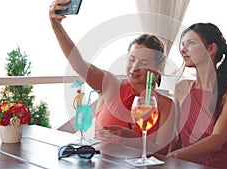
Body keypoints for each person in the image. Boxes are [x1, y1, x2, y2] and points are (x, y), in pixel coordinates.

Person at [49, 0, 175, 155]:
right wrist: (56, 26)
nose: (134, 68)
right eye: (131, 59)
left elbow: (161, 152)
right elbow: (78, 65)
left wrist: (129, 137)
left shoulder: (165, 105)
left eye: (143, 62)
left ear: (157, 67)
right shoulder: (110, 84)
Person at [168, 23, 227, 169]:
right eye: (182, 44)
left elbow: (216, 141)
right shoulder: (182, 88)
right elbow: (177, 139)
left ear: (210, 49)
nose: (182, 50)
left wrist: (174, 156)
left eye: (191, 43)